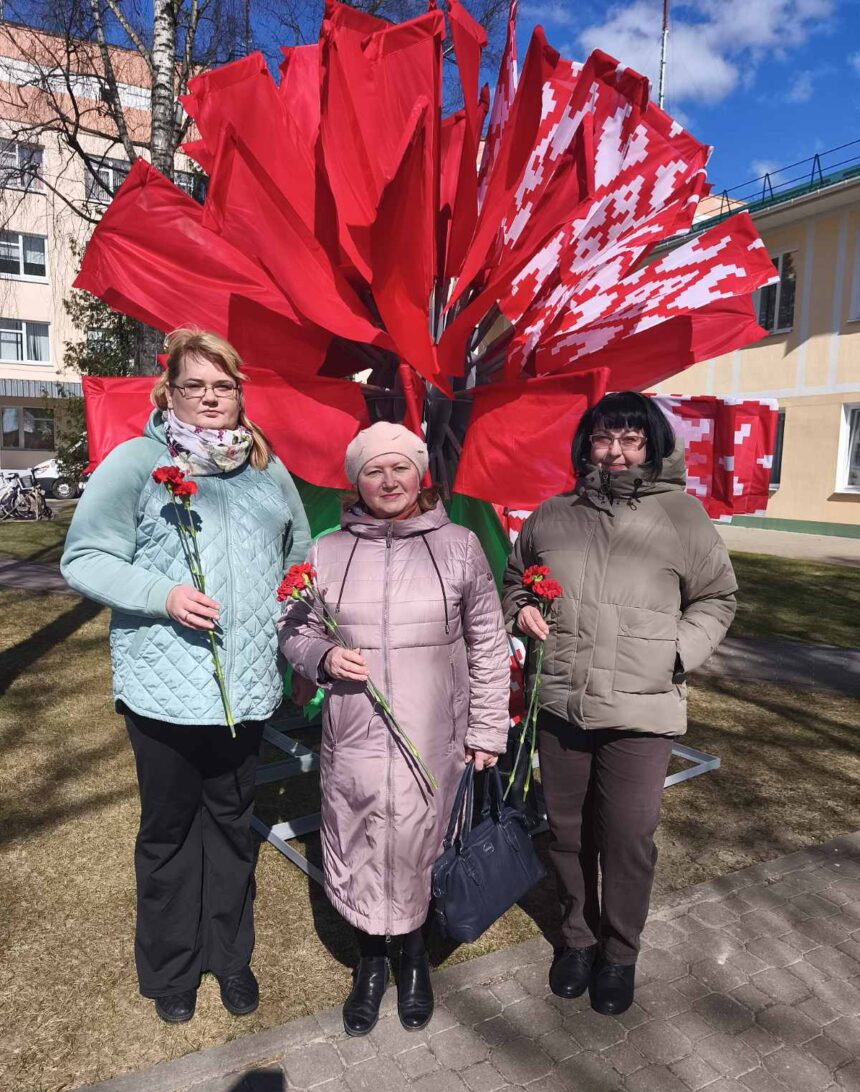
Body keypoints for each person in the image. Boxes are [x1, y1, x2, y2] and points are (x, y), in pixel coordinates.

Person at [61, 328, 310, 1024]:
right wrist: (161, 594)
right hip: (163, 693)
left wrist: (292, 637)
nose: (209, 397)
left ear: (239, 393)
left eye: (222, 385)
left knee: (232, 828)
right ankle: (170, 968)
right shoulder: (137, 463)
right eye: (194, 384)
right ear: (168, 390)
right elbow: (83, 557)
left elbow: (302, 554)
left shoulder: (265, 472)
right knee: (169, 832)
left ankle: (229, 959)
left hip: (247, 692)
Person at [502, 392, 737, 1016]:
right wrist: (521, 609)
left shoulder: (683, 517)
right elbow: (515, 578)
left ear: (653, 447)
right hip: (562, 705)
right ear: (586, 445)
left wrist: (676, 654)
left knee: (628, 835)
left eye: (632, 439)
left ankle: (620, 951)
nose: (617, 450)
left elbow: (717, 599)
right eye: (606, 437)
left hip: (642, 707)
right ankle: (577, 939)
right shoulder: (552, 515)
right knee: (567, 833)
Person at [279, 422, 510, 1036]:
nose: (388, 481)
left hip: (432, 737)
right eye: (374, 470)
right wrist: (323, 658)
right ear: (357, 480)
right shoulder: (327, 549)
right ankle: (370, 964)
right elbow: (295, 630)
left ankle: (413, 964)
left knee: (418, 846)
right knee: (357, 841)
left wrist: (487, 728)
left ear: (419, 474)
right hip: (353, 734)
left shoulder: (458, 545)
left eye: (400, 468)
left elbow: (488, 643)